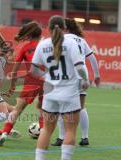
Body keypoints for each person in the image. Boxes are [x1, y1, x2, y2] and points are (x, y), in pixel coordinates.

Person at [31, 15, 89, 160]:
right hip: (69, 94)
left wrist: (47, 76)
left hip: (50, 94)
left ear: (48, 29)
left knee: (46, 130)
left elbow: (33, 70)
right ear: (64, 29)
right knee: (70, 131)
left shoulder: (42, 44)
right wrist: (85, 80)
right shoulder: (70, 44)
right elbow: (80, 66)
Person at [52, 18, 100, 147]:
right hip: (81, 74)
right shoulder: (81, 41)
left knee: (61, 107)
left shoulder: (62, 39)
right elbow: (92, 58)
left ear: (65, 28)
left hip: (67, 75)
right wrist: (96, 75)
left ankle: (62, 138)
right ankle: (85, 138)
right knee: (81, 107)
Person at [0, 21, 44, 146]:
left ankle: (5, 133)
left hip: (31, 82)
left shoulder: (25, 48)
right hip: (46, 81)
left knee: (17, 110)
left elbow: (15, 69)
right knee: (43, 111)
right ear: (40, 34)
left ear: (29, 34)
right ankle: (43, 137)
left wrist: (12, 85)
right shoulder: (45, 46)